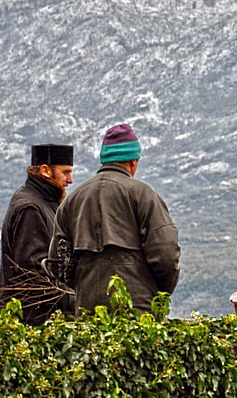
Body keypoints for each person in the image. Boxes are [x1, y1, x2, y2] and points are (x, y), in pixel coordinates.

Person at [48, 124, 181, 315]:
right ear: (133, 161)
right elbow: (166, 253)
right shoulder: (143, 194)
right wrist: (160, 294)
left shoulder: (73, 200)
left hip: (87, 311)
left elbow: (58, 262)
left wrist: (83, 288)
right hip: (138, 312)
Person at [0, 143, 75, 325]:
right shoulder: (30, 208)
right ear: (45, 170)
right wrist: (74, 301)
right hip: (34, 321)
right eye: (65, 172)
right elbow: (34, 274)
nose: (70, 179)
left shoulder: (45, 202)